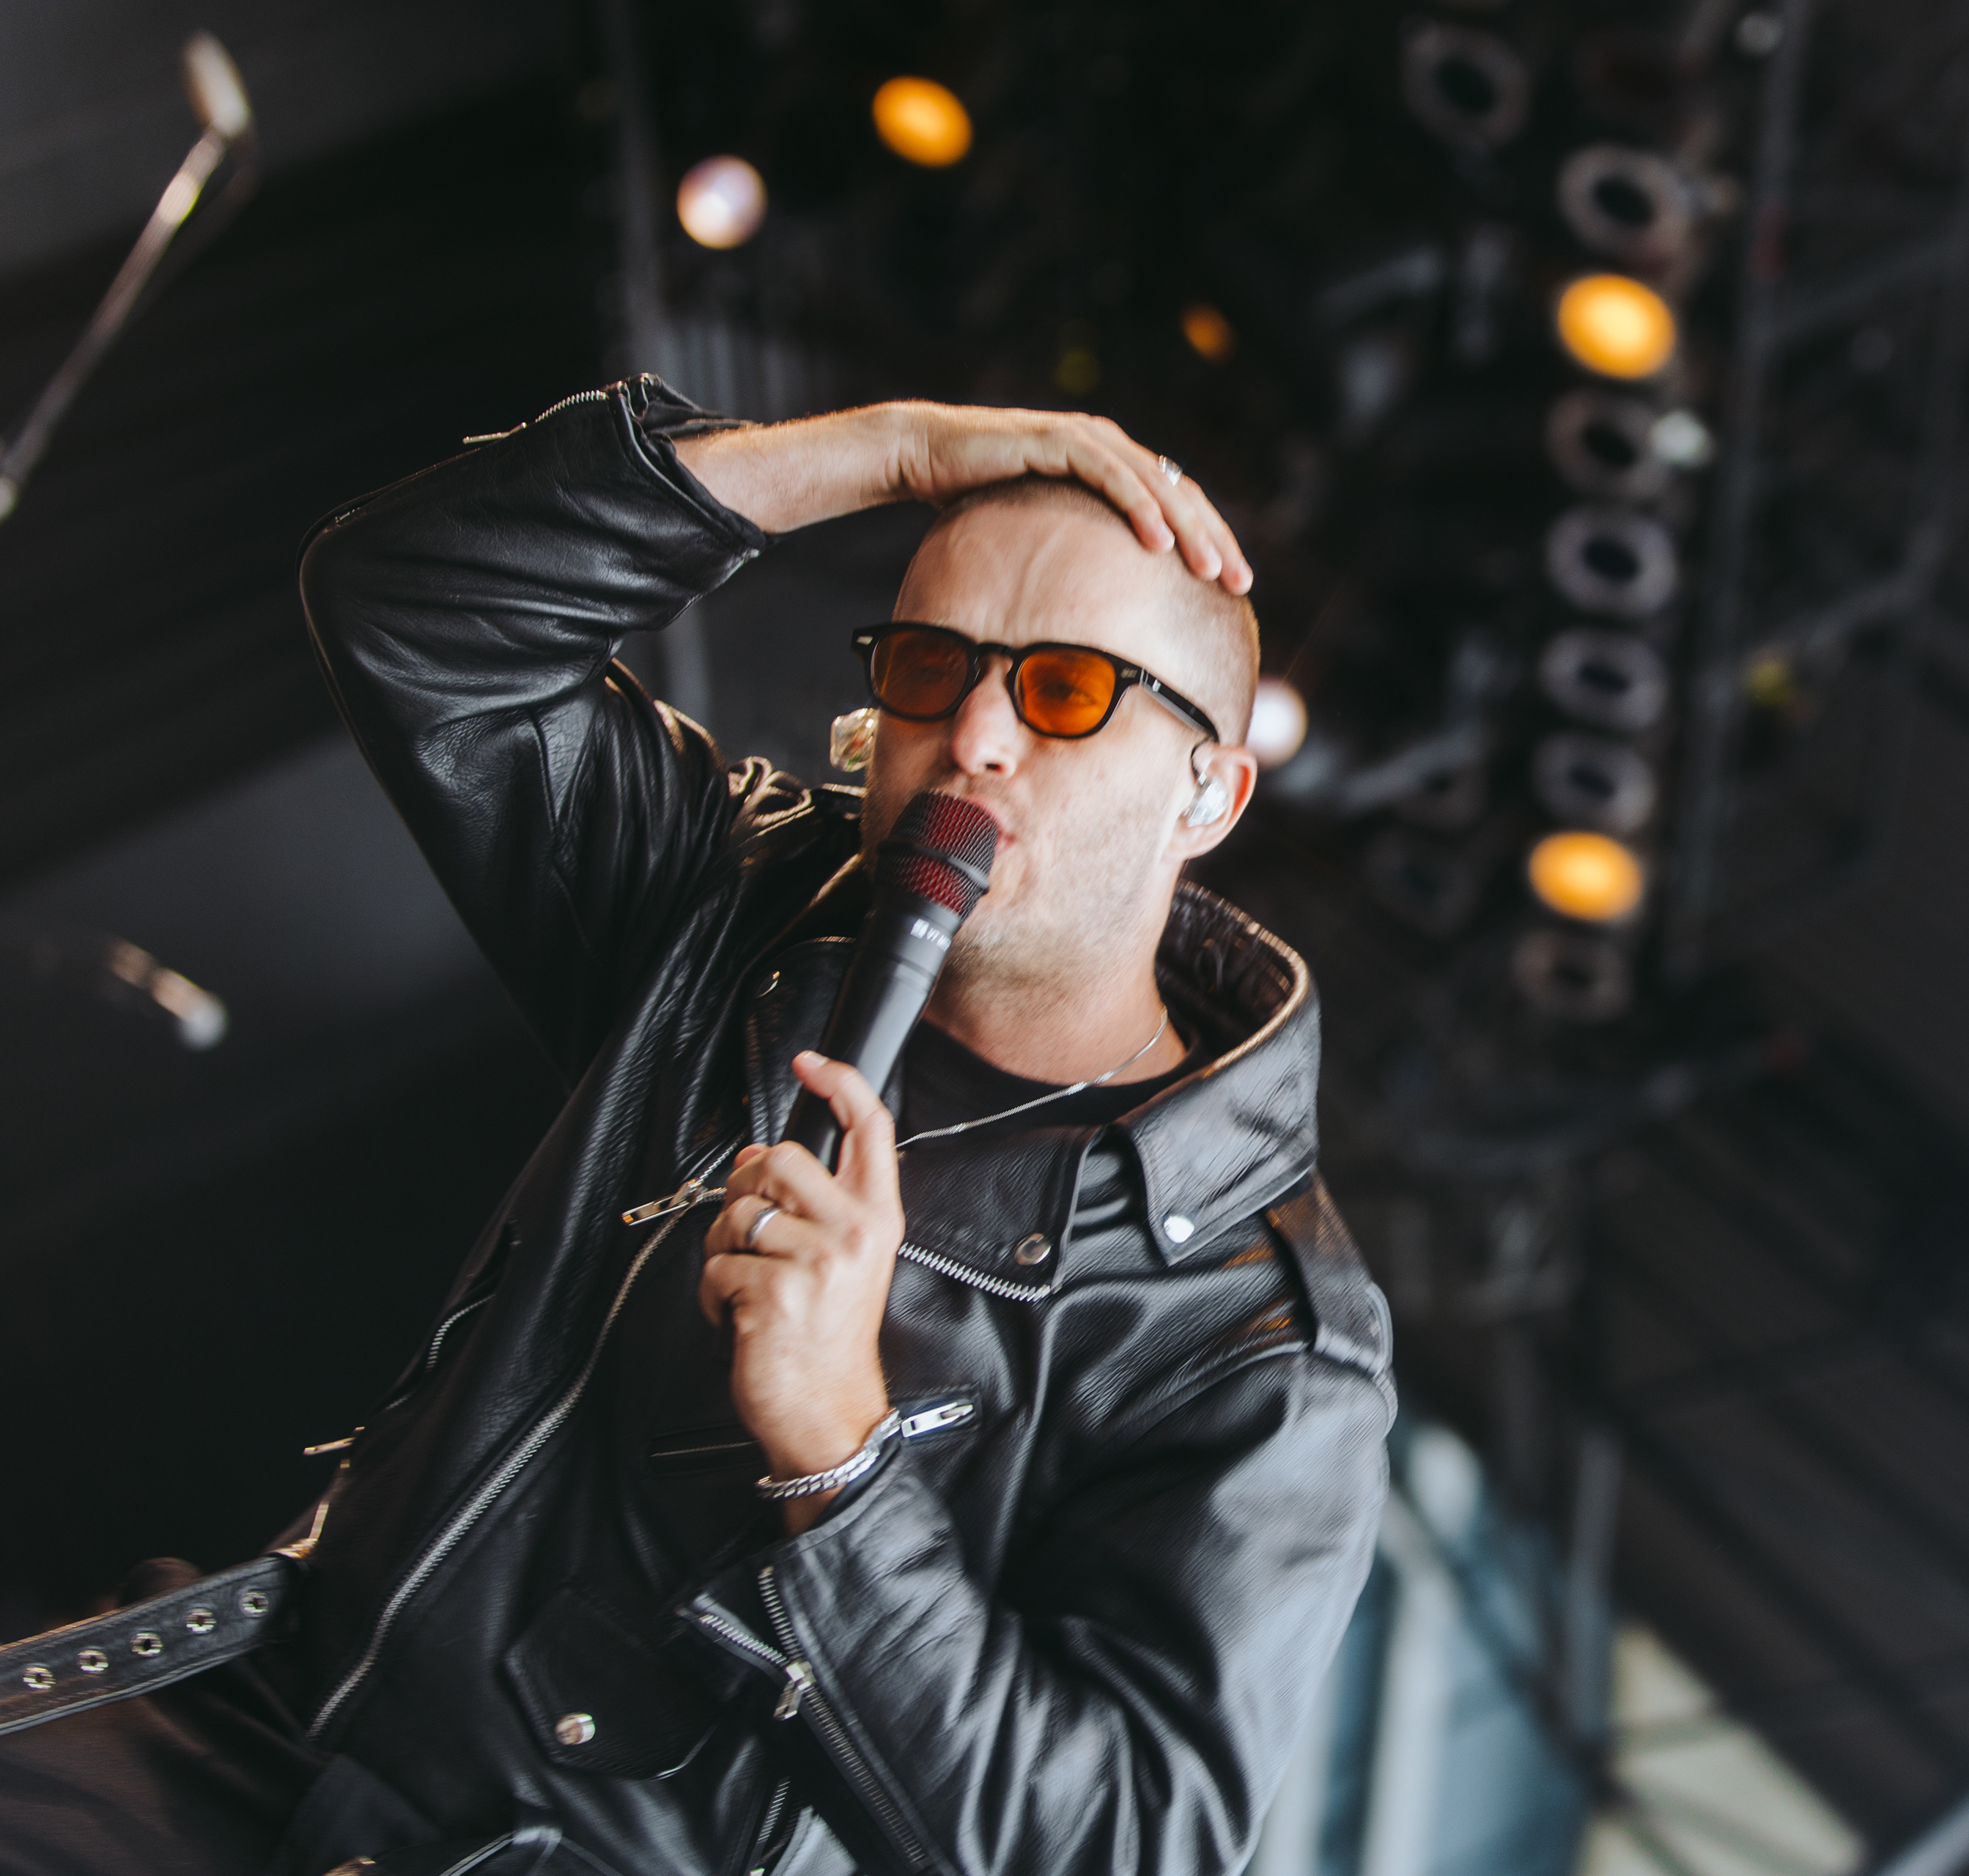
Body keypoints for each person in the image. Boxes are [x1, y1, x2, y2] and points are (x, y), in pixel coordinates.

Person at [0, 378, 1393, 1876]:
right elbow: (410, 605)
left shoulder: (1259, 1336)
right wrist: (892, 448)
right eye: (930, 666)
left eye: (1066, 690)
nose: (975, 732)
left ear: (1208, 793)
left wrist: (838, 1454)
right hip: (248, 1736)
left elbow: (1113, 1845)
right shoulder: (738, 898)